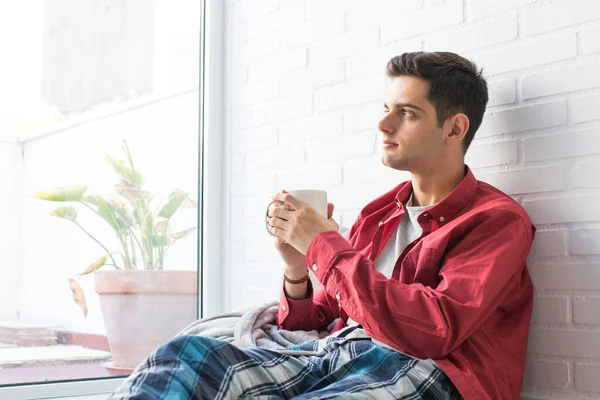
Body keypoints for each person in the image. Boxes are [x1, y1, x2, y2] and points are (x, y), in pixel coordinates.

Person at [110, 52, 535, 400]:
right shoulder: (379, 212)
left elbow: (434, 330)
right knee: (185, 358)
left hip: (429, 371)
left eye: (406, 113)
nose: (384, 125)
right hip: (336, 354)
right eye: (386, 109)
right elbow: (319, 319)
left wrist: (324, 245)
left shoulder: (496, 221)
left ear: (455, 128)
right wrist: (298, 269)